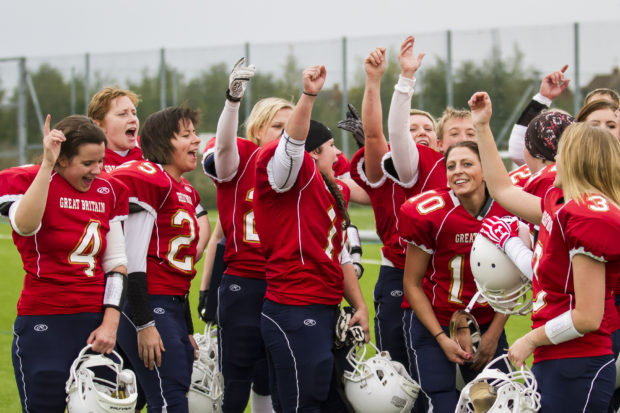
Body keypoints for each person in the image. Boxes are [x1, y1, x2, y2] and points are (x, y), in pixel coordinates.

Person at [469, 91, 620, 412]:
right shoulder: (560, 204)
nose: (554, 160)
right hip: (558, 357)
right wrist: (482, 127)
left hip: (580, 360)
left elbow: (588, 317)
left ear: (579, 158)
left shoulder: (589, 216)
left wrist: (530, 339)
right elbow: (503, 189)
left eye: (562, 152)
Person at [254, 65, 369, 412]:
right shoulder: (290, 172)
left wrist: (360, 304)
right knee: (304, 402)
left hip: (323, 305)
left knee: (333, 402)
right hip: (294, 305)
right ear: (313, 152)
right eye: (332, 146)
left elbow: (341, 255)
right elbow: (290, 148)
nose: (338, 154)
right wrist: (308, 95)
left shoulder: (330, 189)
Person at [0, 115, 129, 412]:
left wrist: (110, 324)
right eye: (87, 164)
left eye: (101, 161)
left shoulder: (108, 190)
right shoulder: (35, 181)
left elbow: (117, 265)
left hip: (95, 325)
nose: (97, 170)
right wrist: (47, 165)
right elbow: (25, 224)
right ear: (62, 160)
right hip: (46, 320)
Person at [201, 58, 294, 413]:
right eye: (278, 126)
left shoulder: (297, 167)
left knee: (280, 377)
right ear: (256, 130)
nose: (287, 133)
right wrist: (233, 100)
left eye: (292, 126)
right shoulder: (241, 155)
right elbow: (222, 150)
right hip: (245, 280)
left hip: (288, 282)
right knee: (237, 375)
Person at [399, 140, 511, 412]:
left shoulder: (508, 208)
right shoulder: (431, 213)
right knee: (441, 404)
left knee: (500, 405)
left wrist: (494, 334)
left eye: (467, 164)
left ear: (486, 170)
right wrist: (440, 338)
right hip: (435, 323)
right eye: (451, 166)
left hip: (487, 322)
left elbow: (512, 284)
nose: (457, 171)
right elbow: (411, 284)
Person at [113, 106, 203, 413]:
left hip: (173, 304)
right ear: (164, 143)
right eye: (186, 135)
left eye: (195, 134)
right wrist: (145, 323)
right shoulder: (152, 180)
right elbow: (134, 261)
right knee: (170, 396)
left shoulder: (188, 191)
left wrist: (187, 328)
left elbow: (181, 274)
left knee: (150, 395)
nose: (196, 141)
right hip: (147, 302)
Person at [88, 86, 142, 173]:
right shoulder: (87, 158)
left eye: (134, 113)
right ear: (98, 126)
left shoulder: (150, 149)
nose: (133, 119)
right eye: (122, 114)